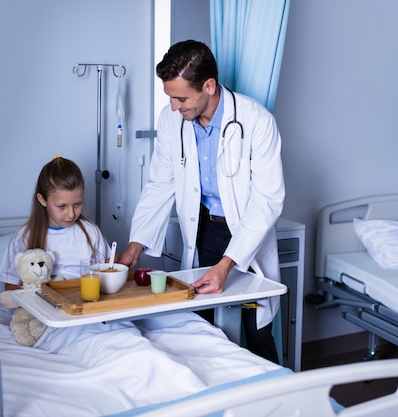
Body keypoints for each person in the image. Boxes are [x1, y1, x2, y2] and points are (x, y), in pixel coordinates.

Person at [115, 40, 285, 362]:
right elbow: (160, 184)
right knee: (200, 321)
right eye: (170, 98)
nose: (175, 107)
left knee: (256, 327)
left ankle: (272, 398)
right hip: (203, 229)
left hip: (246, 231)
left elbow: (267, 199)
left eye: (181, 98)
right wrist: (135, 246)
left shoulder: (256, 122)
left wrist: (226, 264)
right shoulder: (172, 120)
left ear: (208, 85)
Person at [0, 156, 111, 289]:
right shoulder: (24, 236)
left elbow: (106, 274)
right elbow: (10, 285)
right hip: (40, 305)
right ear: (42, 199)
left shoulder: (90, 232)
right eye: (61, 206)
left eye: (77, 204)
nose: (71, 214)